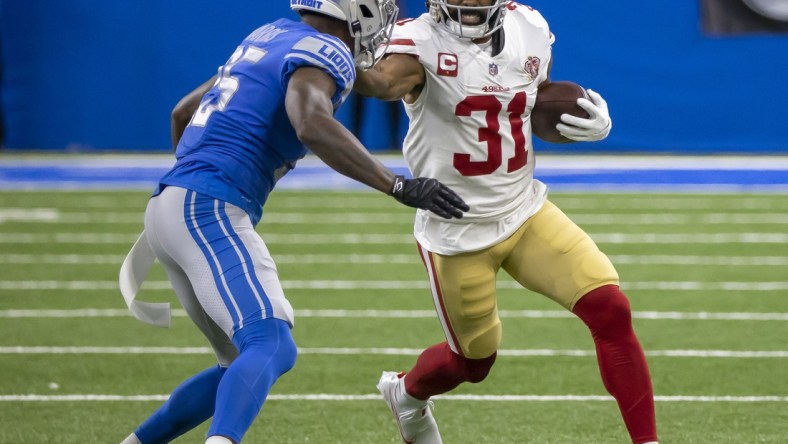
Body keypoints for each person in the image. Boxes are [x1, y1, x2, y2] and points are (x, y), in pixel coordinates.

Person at [118, 1, 470, 443]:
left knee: (236, 367)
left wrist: (195, 183)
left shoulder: (267, 35)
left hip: (173, 205)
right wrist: (396, 185)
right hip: (205, 206)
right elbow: (311, 124)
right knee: (272, 344)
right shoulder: (329, 48)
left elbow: (182, 113)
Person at [353, 1, 659, 443]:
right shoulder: (417, 42)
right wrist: (339, 52)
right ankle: (406, 393)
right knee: (473, 363)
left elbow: (537, 101)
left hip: (524, 211)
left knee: (611, 309)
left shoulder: (528, 26)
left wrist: (584, 119)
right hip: (457, 231)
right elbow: (381, 83)